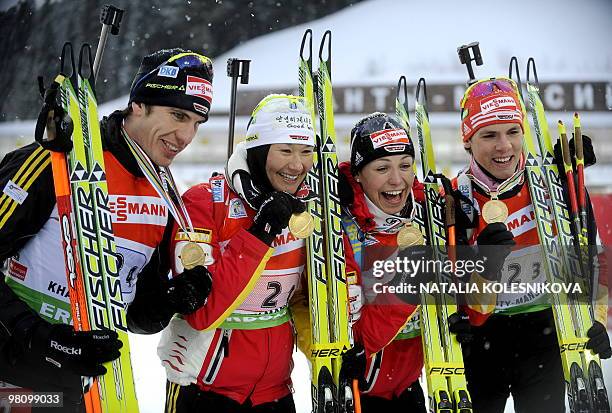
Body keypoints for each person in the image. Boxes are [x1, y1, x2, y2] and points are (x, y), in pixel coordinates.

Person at [0, 47, 215, 412]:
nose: (185, 135)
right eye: (177, 115)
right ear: (138, 106)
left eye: (196, 122)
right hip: (16, 378)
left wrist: (172, 299)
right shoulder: (55, 160)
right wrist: (44, 338)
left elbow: (135, 314)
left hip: (93, 388)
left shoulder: (164, 193)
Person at [452, 76, 611, 412]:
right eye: (489, 135)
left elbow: (590, 254)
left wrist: (594, 318)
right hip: (482, 340)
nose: (504, 146)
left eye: (512, 132)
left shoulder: (552, 186)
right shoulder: (455, 197)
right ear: (468, 140)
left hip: (544, 334)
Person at [152, 94, 314, 412]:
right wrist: (261, 233)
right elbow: (202, 312)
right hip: (205, 389)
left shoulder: (308, 209)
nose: (297, 165)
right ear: (257, 151)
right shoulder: (204, 203)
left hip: (276, 390)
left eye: (306, 151)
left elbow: (305, 299)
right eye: (285, 150)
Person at [337, 112, 427, 412]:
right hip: (359, 390)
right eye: (382, 168)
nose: (397, 179)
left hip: (412, 388)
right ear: (359, 173)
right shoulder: (344, 227)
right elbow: (349, 329)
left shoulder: (430, 215)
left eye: (405, 166)